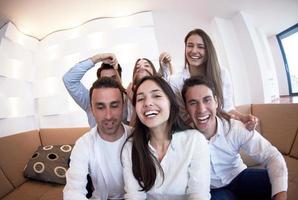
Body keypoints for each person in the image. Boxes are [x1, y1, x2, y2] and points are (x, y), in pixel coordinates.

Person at [182, 76, 288, 200]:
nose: (201, 109)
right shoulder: (183, 138)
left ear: (216, 102)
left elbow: (272, 156)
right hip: (214, 190)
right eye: (193, 103)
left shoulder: (234, 127)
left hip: (240, 176)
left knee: (275, 181)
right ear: (186, 108)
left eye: (207, 100)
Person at [121, 75, 211, 199]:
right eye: (140, 99)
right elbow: (134, 196)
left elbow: (199, 196)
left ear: (171, 102)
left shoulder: (195, 141)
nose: (147, 103)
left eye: (156, 96)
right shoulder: (130, 147)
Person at [167, 28, 257, 130]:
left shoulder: (222, 74)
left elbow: (227, 108)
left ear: (208, 50)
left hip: (221, 128)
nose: (194, 51)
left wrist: (242, 118)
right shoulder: (175, 81)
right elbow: (184, 117)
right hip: (193, 132)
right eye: (190, 46)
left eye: (200, 47)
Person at [64, 77, 132, 200]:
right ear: (92, 109)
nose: (108, 115)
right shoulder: (83, 144)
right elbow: (74, 190)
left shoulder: (136, 138)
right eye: (101, 107)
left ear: (123, 105)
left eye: (114, 105)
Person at [63, 53, 124, 127]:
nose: (109, 84)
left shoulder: (130, 98)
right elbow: (69, 79)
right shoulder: (90, 100)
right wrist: (98, 58)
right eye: (105, 80)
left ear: (120, 79)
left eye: (113, 79)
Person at [126, 56, 172, 125]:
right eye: (137, 67)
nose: (141, 68)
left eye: (146, 65)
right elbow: (132, 127)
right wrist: (134, 101)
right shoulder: (131, 93)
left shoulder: (163, 84)